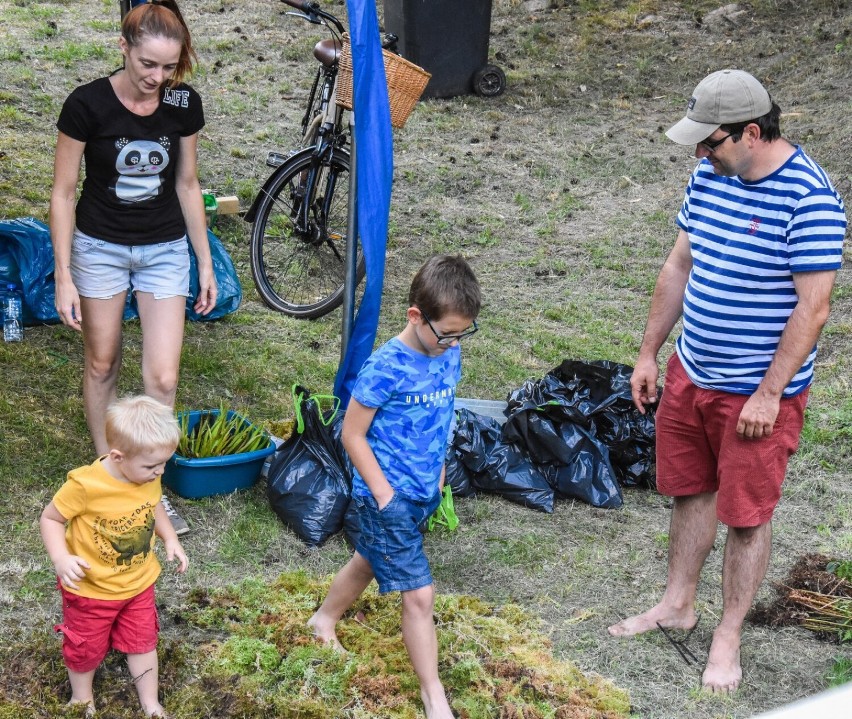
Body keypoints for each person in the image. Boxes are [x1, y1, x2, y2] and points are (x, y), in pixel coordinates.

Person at [607, 69, 846, 694]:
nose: (699, 154)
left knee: (746, 516)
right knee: (690, 490)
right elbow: (679, 264)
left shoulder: (809, 199)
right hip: (692, 372)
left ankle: (729, 633)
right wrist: (650, 353)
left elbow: (812, 309)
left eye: (709, 142)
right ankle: (678, 604)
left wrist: (769, 394)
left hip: (755, 395)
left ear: (750, 131)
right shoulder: (710, 177)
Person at [308, 255, 481, 719]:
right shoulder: (386, 366)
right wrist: (384, 495)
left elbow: (442, 416)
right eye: (446, 332)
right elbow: (351, 433)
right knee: (420, 594)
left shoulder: (450, 351)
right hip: (386, 496)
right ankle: (433, 695)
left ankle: (323, 619)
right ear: (415, 317)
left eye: (463, 333)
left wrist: (440, 471)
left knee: (370, 557)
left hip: (424, 489)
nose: (454, 343)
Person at [49, 0, 216, 457]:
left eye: (168, 66)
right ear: (123, 47)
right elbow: (63, 195)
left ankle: (149, 479)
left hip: (164, 248)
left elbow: (187, 184)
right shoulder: (86, 104)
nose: (157, 78)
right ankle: (109, 469)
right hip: (98, 246)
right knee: (102, 363)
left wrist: (204, 262)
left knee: (164, 377)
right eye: (147, 63)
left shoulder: (183, 103)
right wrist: (63, 275)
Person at [40, 395, 188, 718]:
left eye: (164, 463)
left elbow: (155, 503)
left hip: (138, 584)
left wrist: (170, 537)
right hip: (90, 590)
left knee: (143, 642)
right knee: (85, 648)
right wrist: (61, 558)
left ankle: (150, 701)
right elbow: (50, 519)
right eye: (153, 466)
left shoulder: (148, 475)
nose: (160, 471)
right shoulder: (85, 485)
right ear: (118, 456)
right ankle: (82, 698)